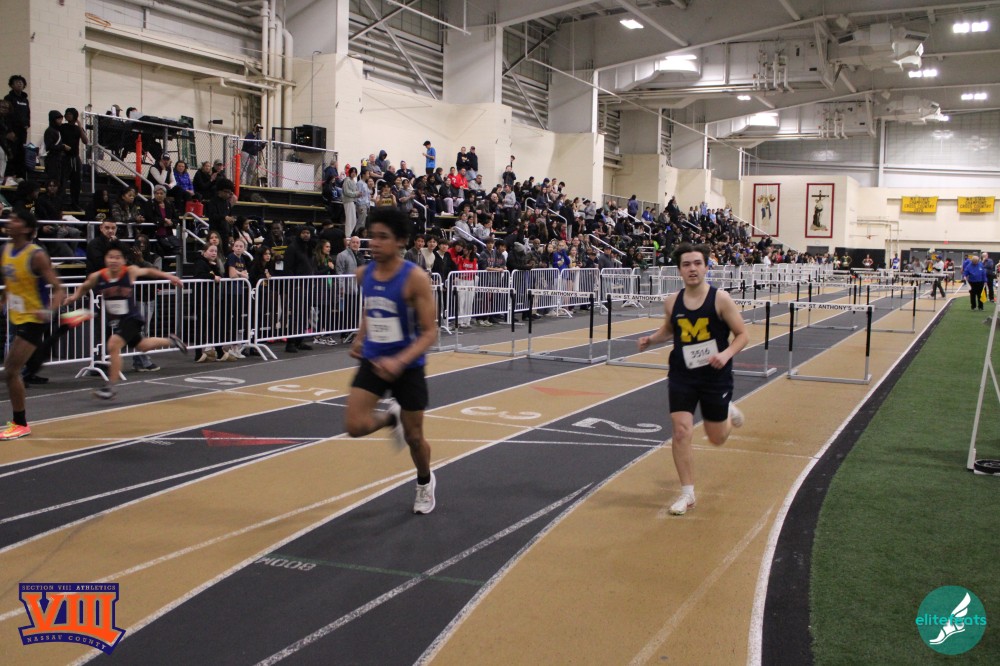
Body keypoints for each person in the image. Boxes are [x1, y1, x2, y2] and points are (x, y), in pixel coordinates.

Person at [637, 242, 748, 516]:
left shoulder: (721, 299)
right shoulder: (672, 301)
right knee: (681, 430)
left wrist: (726, 354)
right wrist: (652, 339)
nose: (692, 269)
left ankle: (726, 411)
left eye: (697, 263)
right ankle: (687, 493)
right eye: (686, 264)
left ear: (706, 267)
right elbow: (669, 330)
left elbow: (743, 335)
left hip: (714, 376)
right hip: (682, 374)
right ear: (679, 270)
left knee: (717, 438)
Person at [346, 207, 438, 513]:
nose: (374, 243)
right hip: (374, 360)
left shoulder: (415, 279)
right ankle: (390, 418)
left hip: (407, 366)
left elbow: (430, 333)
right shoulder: (364, 274)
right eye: (372, 236)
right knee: (355, 425)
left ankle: (424, 482)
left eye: (383, 237)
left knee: (414, 438)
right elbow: (371, 307)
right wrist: (361, 337)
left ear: (400, 241)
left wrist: (399, 362)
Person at [64, 243, 186, 399]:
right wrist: (74, 297)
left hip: (132, 318)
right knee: (143, 346)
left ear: (123, 260)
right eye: (110, 257)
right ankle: (172, 341)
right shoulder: (98, 276)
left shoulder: (129, 272)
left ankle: (110, 387)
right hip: (118, 320)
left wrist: (170, 277)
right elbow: (85, 286)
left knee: (113, 344)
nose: (114, 261)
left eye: (117, 257)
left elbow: (149, 271)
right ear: (105, 259)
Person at [0, 210, 65, 439]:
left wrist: (48, 311)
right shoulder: (5, 250)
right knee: (14, 370)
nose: (10, 222)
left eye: (16, 220)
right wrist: (3, 300)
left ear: (27, 228)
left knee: (11, 370)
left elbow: (59, 288)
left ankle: (20, 424)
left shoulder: (36, 255)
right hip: (15, 316)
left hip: (34, 319)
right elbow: (10, 282)